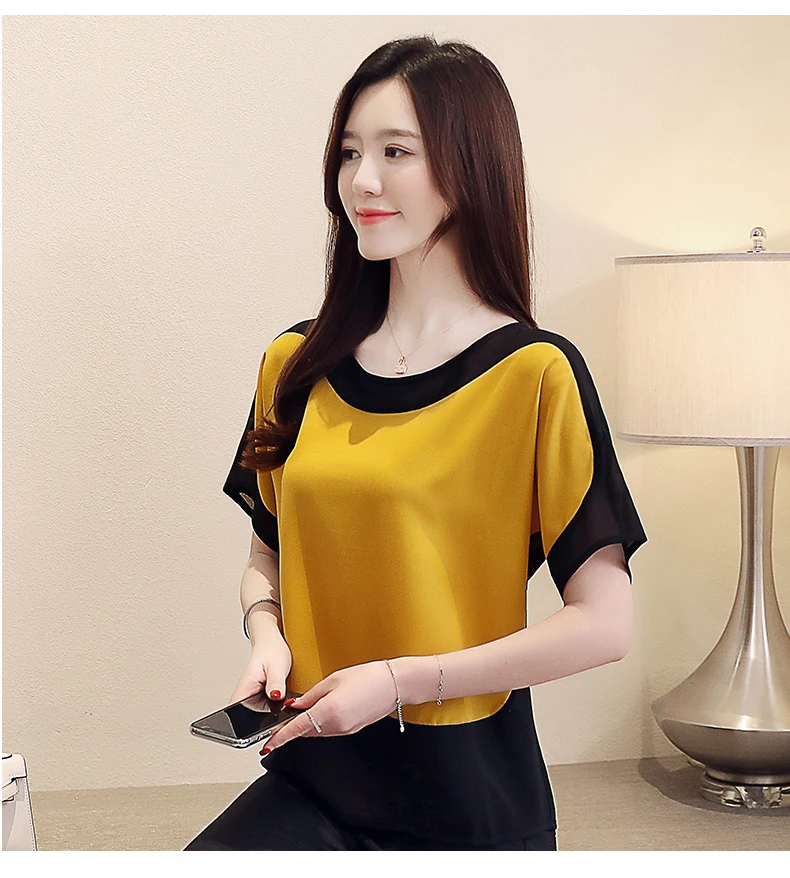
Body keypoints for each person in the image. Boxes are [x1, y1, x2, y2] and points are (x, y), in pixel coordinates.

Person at [184, 35, 647, 852]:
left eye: (396, 152)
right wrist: (267, 634)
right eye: (349, 152)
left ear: (470, 169)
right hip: (315, 775)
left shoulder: (534, 375)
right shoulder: (294, 364)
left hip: (468, 798)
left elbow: (605, 625)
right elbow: (267, 551)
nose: (361, 180)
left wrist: (398, 682)